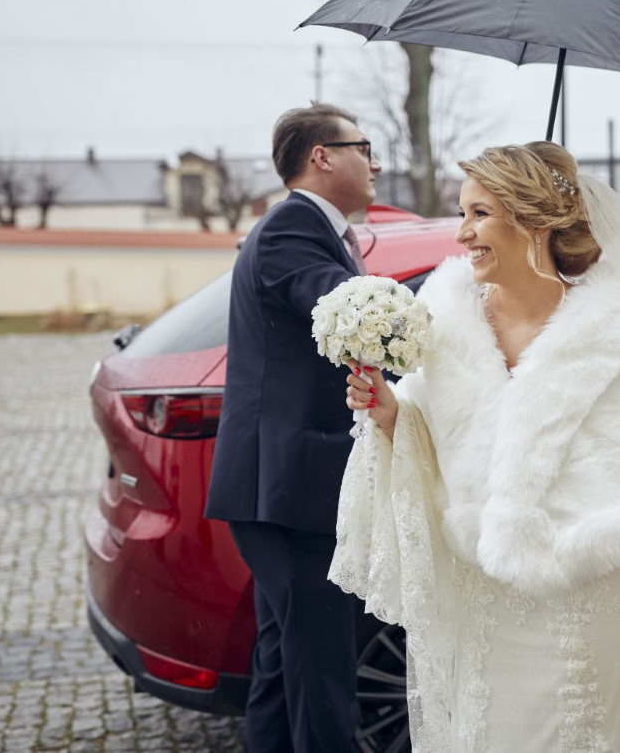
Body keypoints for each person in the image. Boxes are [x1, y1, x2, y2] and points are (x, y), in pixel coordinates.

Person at [332, 141, 620, 752]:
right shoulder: (444, 323)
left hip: (587, 601)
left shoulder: (610, 335)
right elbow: (432, 443)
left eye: (479, 213)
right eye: (462, 213)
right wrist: (391, 415)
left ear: (534, 222)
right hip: (483, 599)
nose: (462, 233)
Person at [204, 102, 382, 753]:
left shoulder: (320, 230)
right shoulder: (291, 227)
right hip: (289, 491)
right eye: (364, 147)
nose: (376, 163)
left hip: (293, 487)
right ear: (322, 156)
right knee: (322, 679)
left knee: (284, 672)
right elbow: (347, 311)